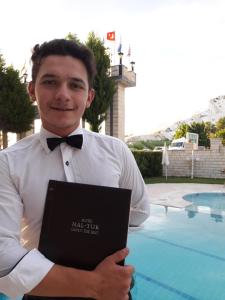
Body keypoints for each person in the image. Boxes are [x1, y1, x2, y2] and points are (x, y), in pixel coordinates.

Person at [0, 39, 150, 300]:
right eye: (49, 82)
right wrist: (94, 284)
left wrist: (103, 228)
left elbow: (140, 210)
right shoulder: (7, 162)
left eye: (75, 85)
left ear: (89, 96)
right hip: (43, 292)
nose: (63, 94)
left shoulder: (116, 151)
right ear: (32, 90)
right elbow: (2, 251)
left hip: (113, 288)